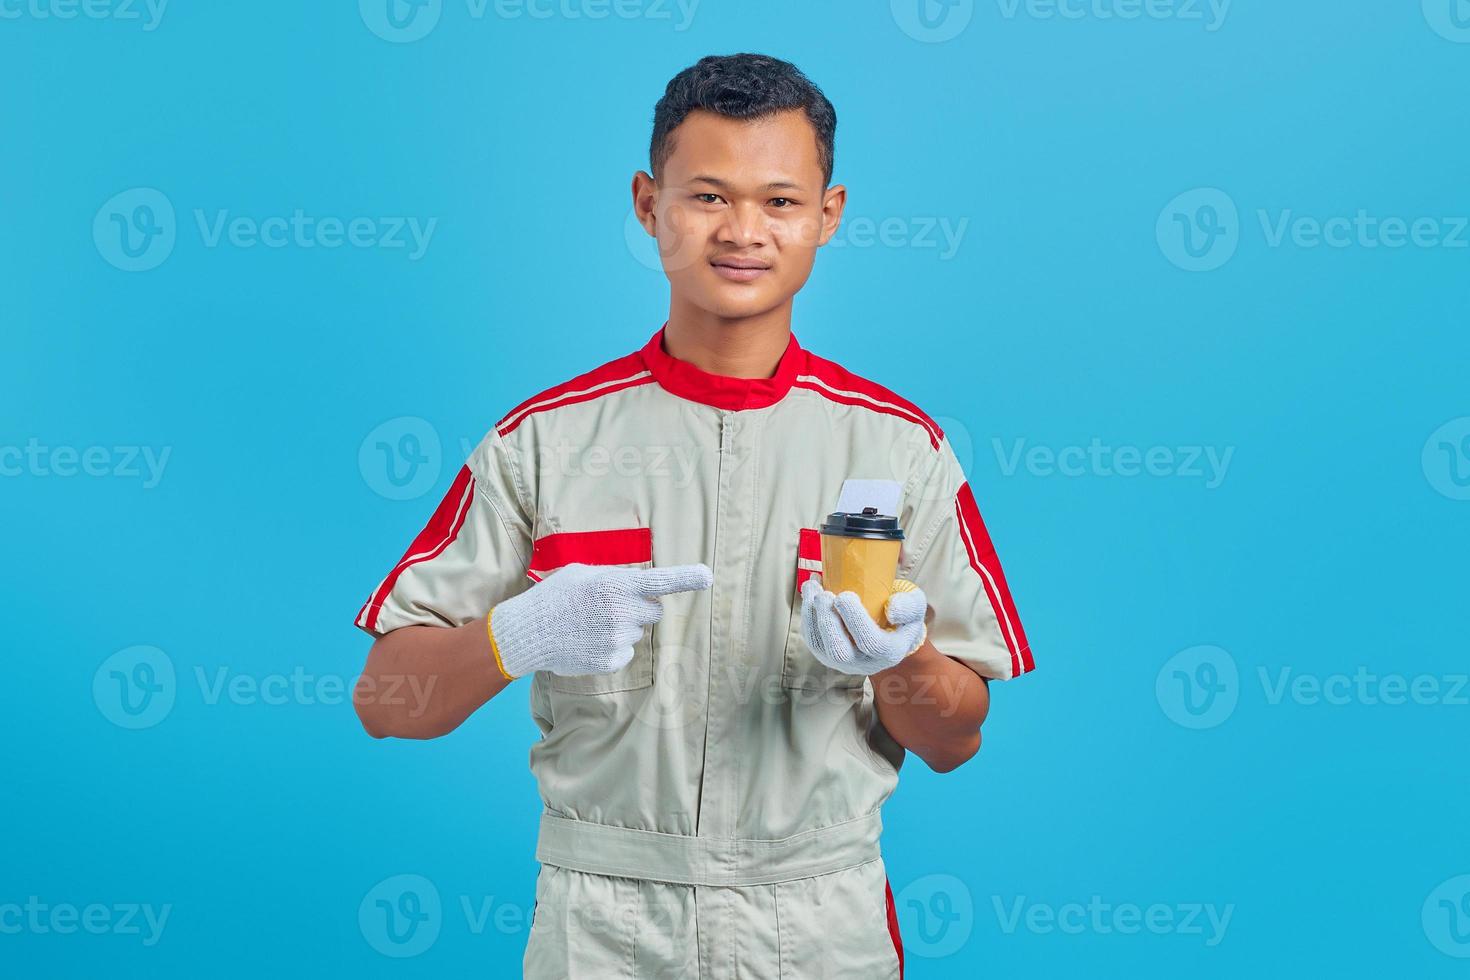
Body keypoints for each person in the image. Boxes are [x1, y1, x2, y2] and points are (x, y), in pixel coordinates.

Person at [352, 52, 1034, 979]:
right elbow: (385, 702)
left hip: (817, 923)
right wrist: (520, 632)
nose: (743, 231)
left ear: (828, 216)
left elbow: (957, 739)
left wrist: (901, 659)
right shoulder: (543, 442)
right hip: (602, 925)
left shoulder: (900, 450)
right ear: (648, 204)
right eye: (708, 195)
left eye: (780, 201)